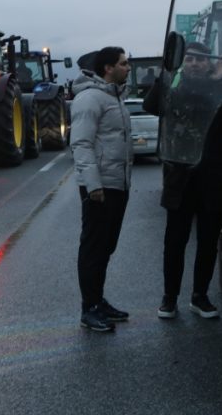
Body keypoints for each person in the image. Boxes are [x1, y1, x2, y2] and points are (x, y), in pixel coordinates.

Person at [157, 42, 222, 320]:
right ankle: (169, 298)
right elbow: (153, 104)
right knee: (174, 242)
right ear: (183, 63)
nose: (195, 63)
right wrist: (167, 72)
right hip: (179, 179)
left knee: (208, 242)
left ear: (209, 63)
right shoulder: (174, 88)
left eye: (201, 59)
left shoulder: (220, 89)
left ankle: (200, 296)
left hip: (211, 178)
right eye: (190, 59)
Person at [70, 46, 132, 332]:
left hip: (117, 183)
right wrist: (93, 185)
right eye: (123, 63)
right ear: (108, 68)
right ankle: (89, 308)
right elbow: (81, 144)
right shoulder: (89, 99)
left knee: (107, 246)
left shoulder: (114, 97)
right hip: (100, 186)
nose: (128, 67)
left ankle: (99, 300)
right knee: (94, 247)